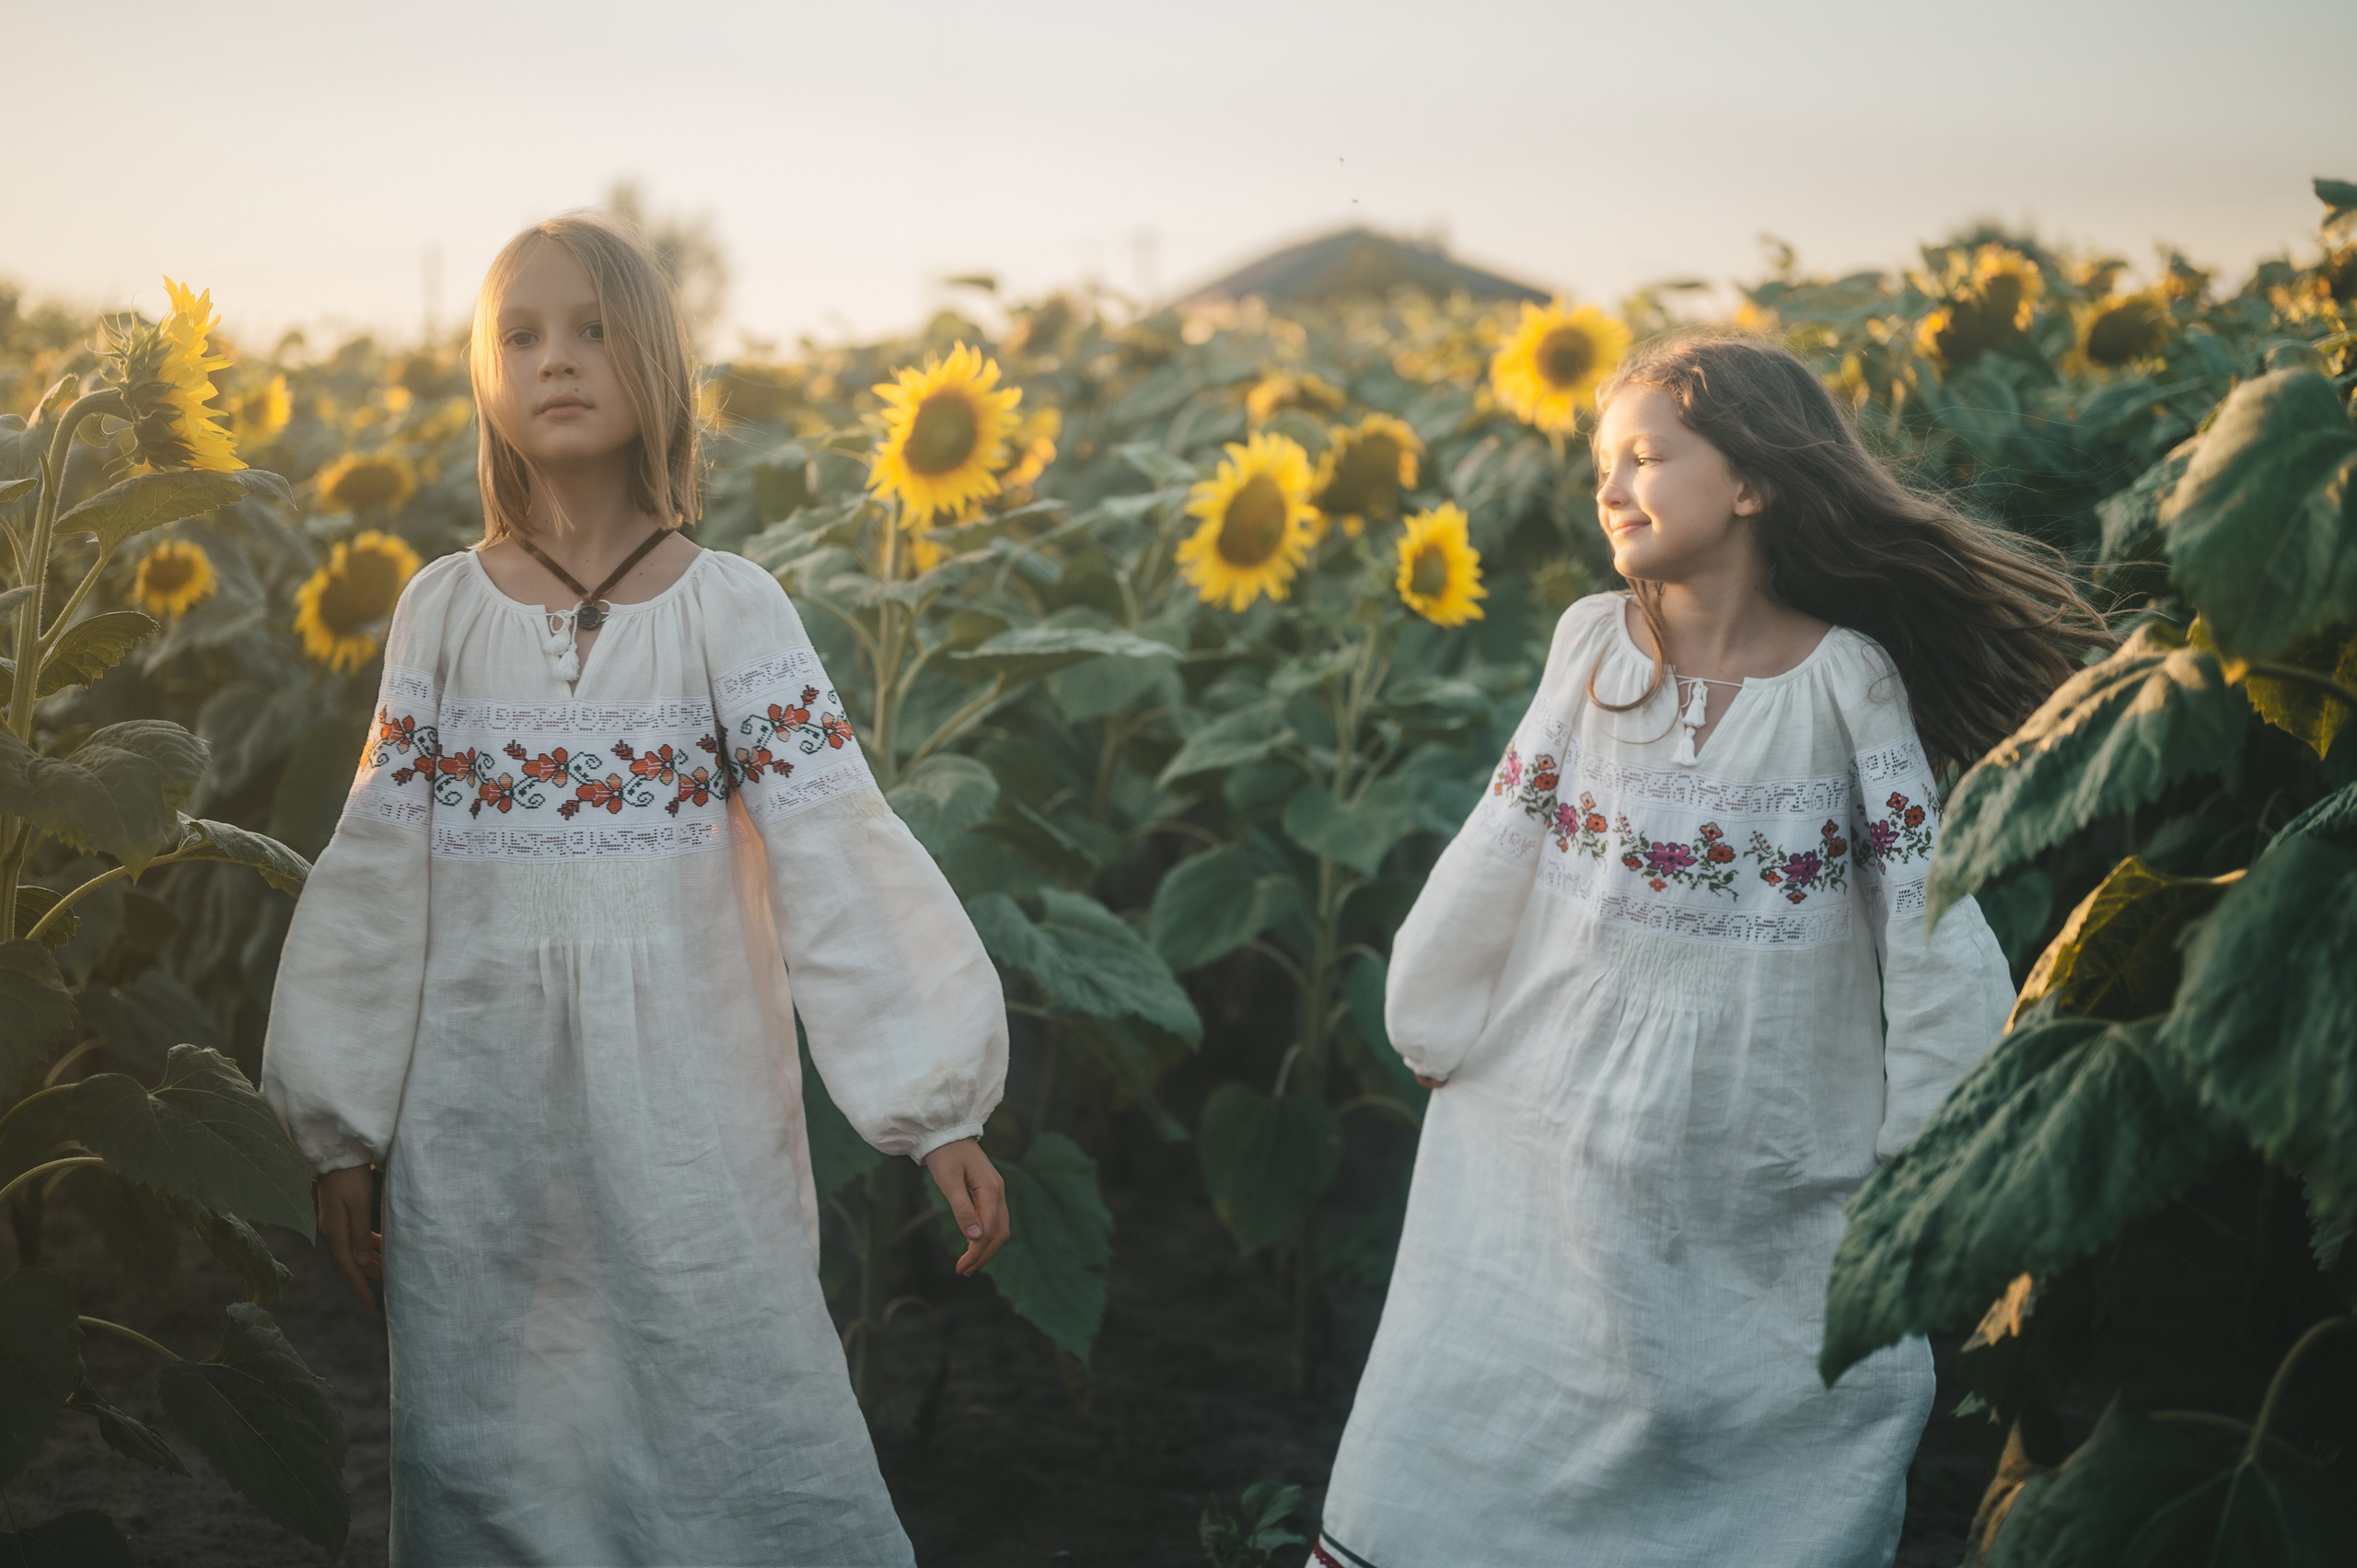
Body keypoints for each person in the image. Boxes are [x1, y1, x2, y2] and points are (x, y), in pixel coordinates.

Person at [261, 213, 1010, 1568]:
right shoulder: (441, 613)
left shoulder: (731, 612)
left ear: (655, 362)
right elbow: (378, 869)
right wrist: (340, 1123)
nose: (559, 359)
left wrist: (933, 1103)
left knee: (730, 1391)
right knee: (498, 1430)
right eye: (523, 334)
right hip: (484, 1122)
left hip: (690, 1113)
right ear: (485, 375)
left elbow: (838, 846)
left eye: (594, 330)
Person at [1313, 333, 2110, 1568]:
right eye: (1600, 464)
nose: (1611, 485)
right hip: (1552, 1096)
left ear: (1751, 483)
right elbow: (1502, 837)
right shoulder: (1590, 649)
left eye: (1644, 456)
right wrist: (1436, 1006)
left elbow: (1923, 901)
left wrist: (1930, 1126)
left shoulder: (1847, 682)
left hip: (1765, 1111)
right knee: (1509, 1357)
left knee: (1760, 1386)